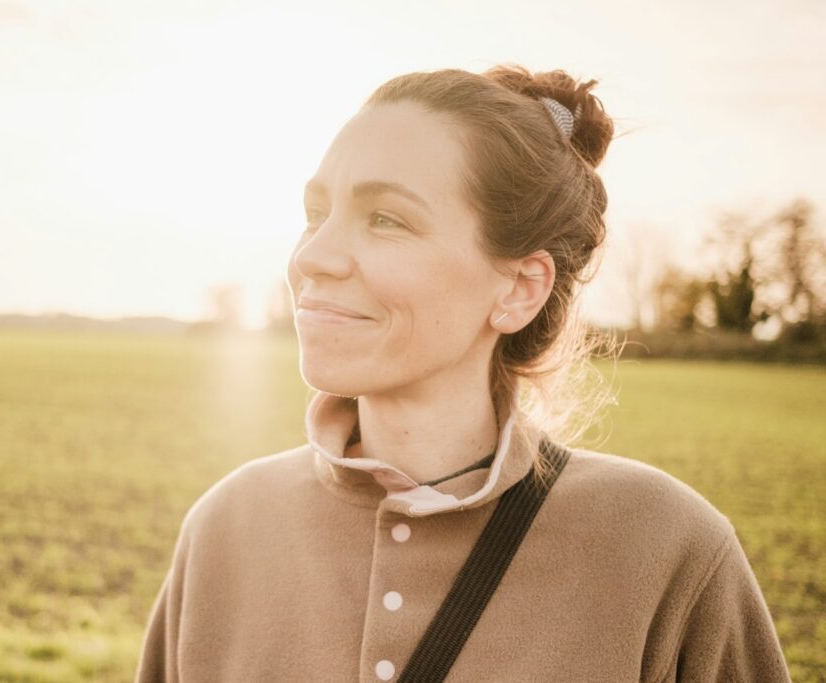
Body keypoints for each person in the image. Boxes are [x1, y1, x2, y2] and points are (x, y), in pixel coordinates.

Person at [134, 65, 791, 682]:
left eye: (386, 219)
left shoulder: (667, 548)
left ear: (519, 288)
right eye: (316, 214)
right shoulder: (226, 526)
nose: (314, 256)